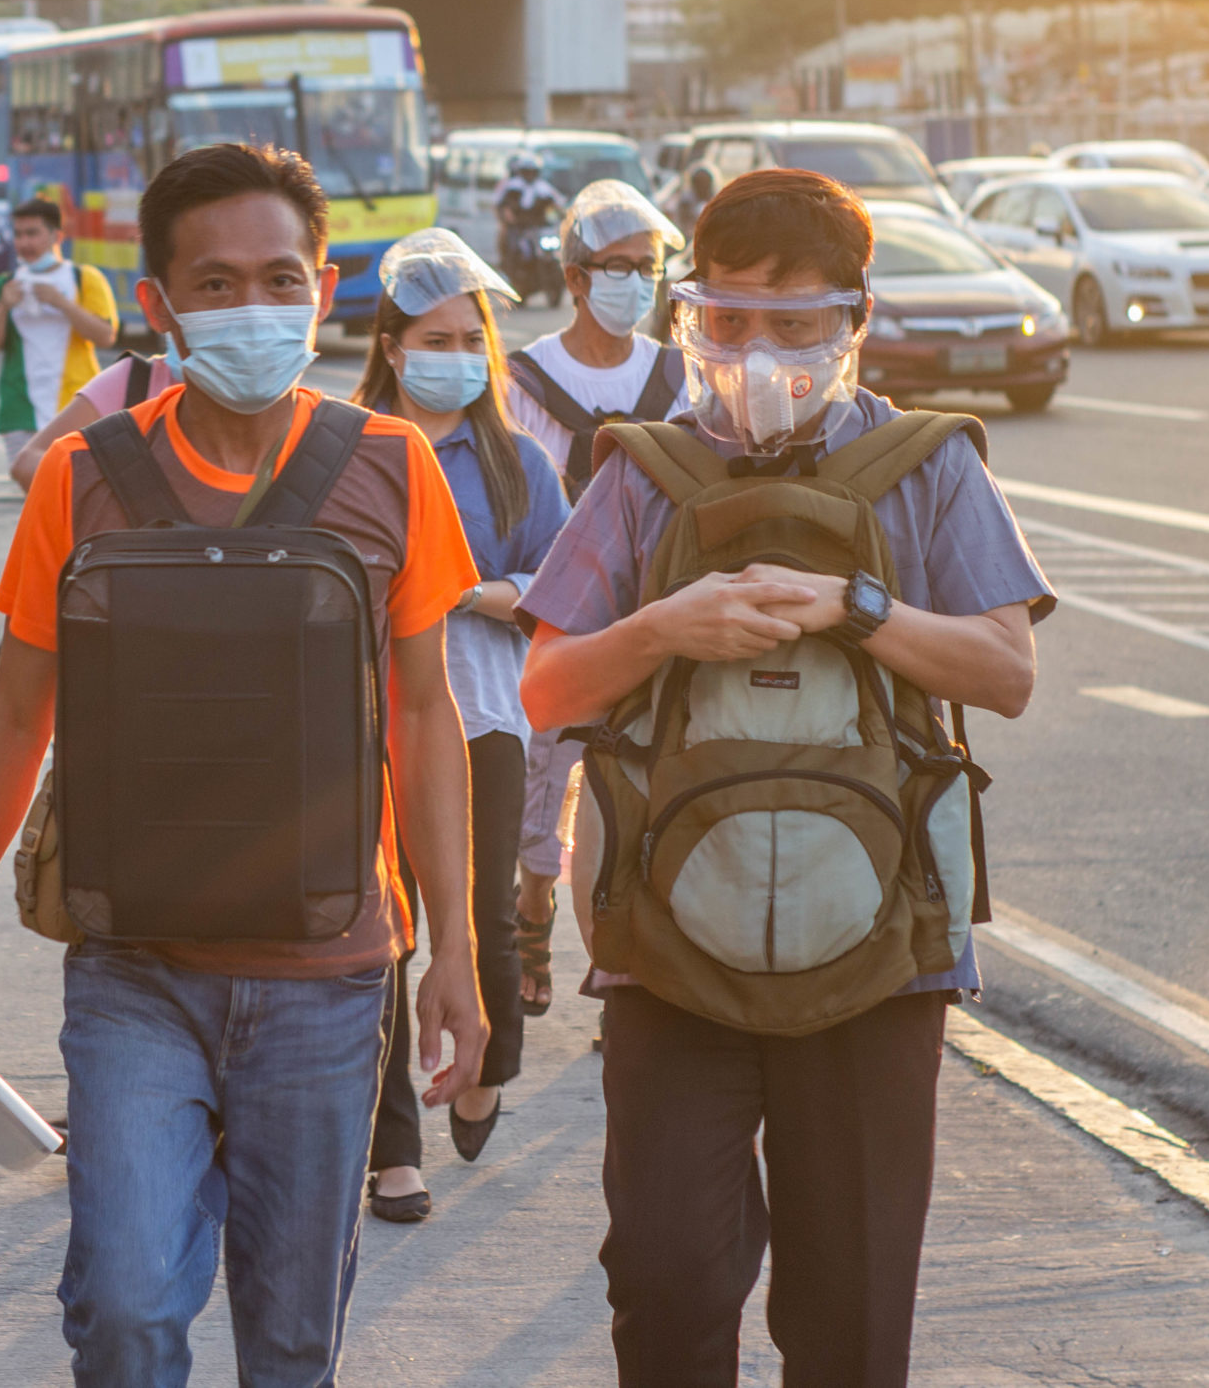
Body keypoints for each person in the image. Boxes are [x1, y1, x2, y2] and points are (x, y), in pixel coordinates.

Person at [0, 142, 487, 1387]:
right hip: (135, 972)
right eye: (214, 284)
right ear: (155, 306)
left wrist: (460, 960)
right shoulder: (83, 478)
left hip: (330, 978)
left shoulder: (392, 467)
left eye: (279, 277)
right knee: (124, 1312)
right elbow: (11, 718)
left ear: (323, 290)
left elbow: (427, 717)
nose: (252, 306)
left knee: (291, 1345)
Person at [517, 168, 1053, 1385]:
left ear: (854, 319)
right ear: (689, 314)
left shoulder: (929, 464)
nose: (757, 352)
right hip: (667, 950)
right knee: (663, 1281)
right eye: (727, 319)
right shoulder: (641, 472)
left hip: (879, 961)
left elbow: (1004, 671)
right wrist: (665, 628)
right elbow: (548, 689)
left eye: (795, 324)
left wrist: (852, 607)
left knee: (854, 1316)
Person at [350, 229, 567, 1223]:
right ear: (391, 346)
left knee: (472, 915)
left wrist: (485, 592)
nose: (451, 355)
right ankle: (392, 1148)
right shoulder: (339, 445)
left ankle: (488, 1053)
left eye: (467, 336)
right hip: (355, 721)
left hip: (478, 713)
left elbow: (563, 587)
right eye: (430, 338)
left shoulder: (515, 464)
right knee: (373, 933)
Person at [501, 179, 688, 1016]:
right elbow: (509, 495)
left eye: (648, 267)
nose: (636, 284)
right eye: (618, 267)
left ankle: (625, 978)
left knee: (648, 795)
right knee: (547, 802)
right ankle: (533, 904)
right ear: (576, 278)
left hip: (656, 615)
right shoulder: (525, 380)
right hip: (559, 617)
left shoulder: (681, 376)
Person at [0, 198, 118, 464]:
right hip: (20, 409)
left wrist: (62, 303)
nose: (25, 243)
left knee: (77, 495)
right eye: (18, 234)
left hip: (77, 406)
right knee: (33, 496)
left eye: (33, 233)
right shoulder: (4, 285)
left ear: (57, 236)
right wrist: (3, 307)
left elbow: (105, 336)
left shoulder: (84, 278)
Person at [4, 347, 179, 491]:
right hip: (31, 405)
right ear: (158, 309)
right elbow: (28, 463)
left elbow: (104, 333)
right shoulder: (136, 380)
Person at [492, 151, 567, 296]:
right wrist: (508, 218)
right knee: (515, 250)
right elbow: (502, 206)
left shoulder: (543, 187)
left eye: (533, 171)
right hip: (520, 228)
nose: (530, 174)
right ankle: (512, 277)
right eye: (527, 171)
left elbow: (558, 203)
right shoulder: (512, 187)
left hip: (539, 229)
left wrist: (564, 215)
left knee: (554, 250)